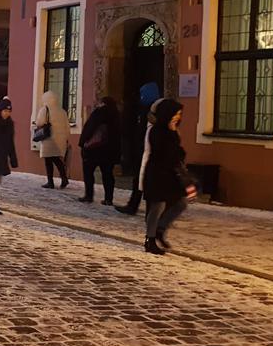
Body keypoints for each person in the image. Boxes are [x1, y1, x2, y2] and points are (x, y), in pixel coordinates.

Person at [142, 98, 196, 255]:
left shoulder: (172, 131)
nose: (177, 117)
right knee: (157, 206)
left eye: (179, 114)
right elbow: (165, 152)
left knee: (180, 203)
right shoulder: (156, 130)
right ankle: (150, 239)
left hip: (171, 174)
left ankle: (160, 229)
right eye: (175, 113)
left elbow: (178, 153)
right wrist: (173, 138)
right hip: (157, 173)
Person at [116, 82, 161, 215]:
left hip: (149, 152)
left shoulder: (154, 111)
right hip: (143, 150)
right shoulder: (145, 109)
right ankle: (134, 205)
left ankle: (145, 209)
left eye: (143, 94)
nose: (141, 97)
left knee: (147, 181)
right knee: (140, 179)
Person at [78, 97, 122, 205]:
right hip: (109, 151)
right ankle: (108, 199)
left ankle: (89, 195)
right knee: (108, 175)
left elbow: (89, 128)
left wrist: (83, 142)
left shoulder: (99, 112)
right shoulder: (117, 115)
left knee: (88, 173)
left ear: (102, 103)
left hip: (94, 149)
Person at [34, 91, 70, 189]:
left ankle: (50, 182)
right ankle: (64, 178)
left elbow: (39, 122)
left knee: (48, 160)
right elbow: (67, 126)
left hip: (49, 139)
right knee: (57, 160)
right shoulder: (62, 111)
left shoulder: (45, 109)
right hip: (60, 139)